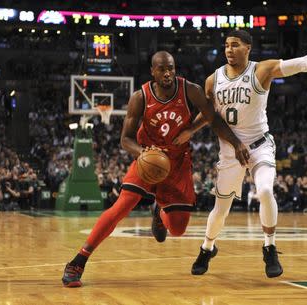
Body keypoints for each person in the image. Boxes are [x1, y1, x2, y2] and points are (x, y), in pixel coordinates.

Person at [173, 22, 307, 278]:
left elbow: (305, 63)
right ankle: (207, 247)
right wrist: (188, 131)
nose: (229, 49)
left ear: (248, 48)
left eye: (235, 45)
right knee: (221, 209)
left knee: (263, 190)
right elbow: (208, 115)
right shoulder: (212, 80)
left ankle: (269, 246)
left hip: (259, 145)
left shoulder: (262, 70)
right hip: (230, 151)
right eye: (226, 45)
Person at [62, 51, 249, 287]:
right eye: (162, 69)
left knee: (178, 230)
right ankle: (78, 261)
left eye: (170, 67)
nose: (167, 73)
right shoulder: (140, 97)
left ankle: (159, 211)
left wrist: (236, 142)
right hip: (148, 159)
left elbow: (213, 118)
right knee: (121, 207)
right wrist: (144, 154)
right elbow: (126, 139)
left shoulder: (190, 90)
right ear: (153, 71)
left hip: (178, 164)